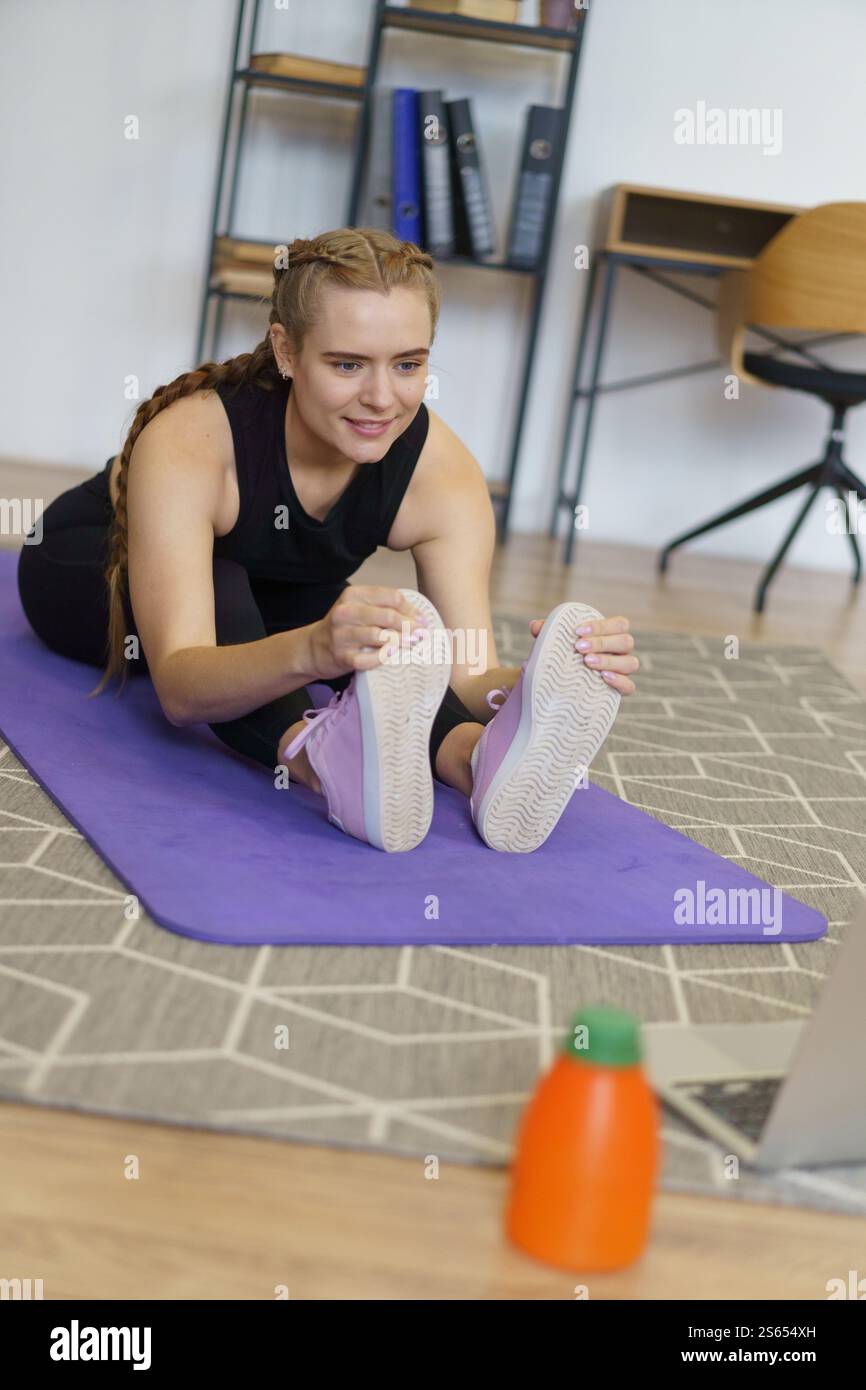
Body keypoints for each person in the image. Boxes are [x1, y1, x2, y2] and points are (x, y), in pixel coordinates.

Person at [17, 227, 639, 853]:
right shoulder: (193, 440)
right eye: (347, 364)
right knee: (239, 586)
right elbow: (180, 689)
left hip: (274, 593)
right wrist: (317, 652)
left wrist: (532, 684)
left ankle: (477, 759)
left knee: (387, 631)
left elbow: (467, 668)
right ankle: (320, 760)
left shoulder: (441, 472)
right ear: (286, 351)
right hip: (84, 562)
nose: (380, 399)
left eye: (408, 365)